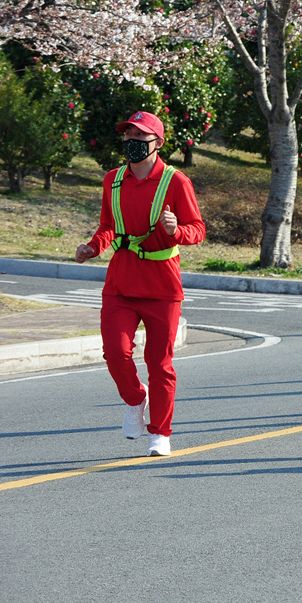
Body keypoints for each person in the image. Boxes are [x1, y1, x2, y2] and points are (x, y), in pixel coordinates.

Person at [75, 112, 206, 458]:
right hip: (120, 281)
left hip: (162, 285)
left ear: (158, 143)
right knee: (115, 353)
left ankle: (160, 433)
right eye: (128, 134)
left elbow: (198, 231)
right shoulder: (112, 180)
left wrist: (175, 230)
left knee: (159, 362)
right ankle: (136, 399)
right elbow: (108, 225)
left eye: (140, 135)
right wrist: (93, 247)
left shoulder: (176, 182)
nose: (132, 140)